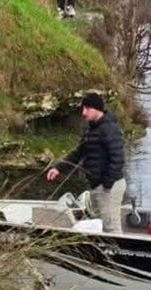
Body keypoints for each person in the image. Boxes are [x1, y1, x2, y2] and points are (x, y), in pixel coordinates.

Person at [44, 92, 125, 232]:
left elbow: (118, 159)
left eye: (87, 108)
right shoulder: (90, 130)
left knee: (111, 228)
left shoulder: (110, 129)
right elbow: (78, 153)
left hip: (110, 187)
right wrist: (58, 168)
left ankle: (120, 247)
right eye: (83, 108)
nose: (83, 112)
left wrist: (107, 184)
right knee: (101, 225)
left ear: (97, 109)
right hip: (97, 186)